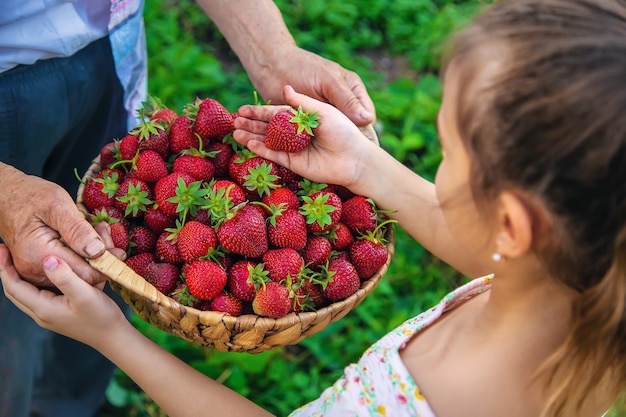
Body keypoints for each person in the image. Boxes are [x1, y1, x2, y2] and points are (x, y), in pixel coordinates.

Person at [2, 0, 625, 416]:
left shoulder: (434, 397)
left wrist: (116, 337)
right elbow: (465, 233)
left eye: (450, 149)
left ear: (513, 224)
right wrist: (362, 166)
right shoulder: (583, 289)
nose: (437, 164)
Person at [0, 1, 375, 416]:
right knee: (12, 311)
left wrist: (274, 55)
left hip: (111, 41)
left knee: (106, 269)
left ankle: (68, 404)